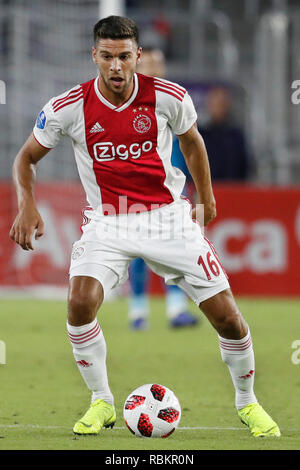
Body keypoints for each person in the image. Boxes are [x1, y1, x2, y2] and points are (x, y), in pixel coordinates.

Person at [9, 15, 280, 438]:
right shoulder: (67, 108)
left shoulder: (169, 97)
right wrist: (26, 205)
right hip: (106, 222)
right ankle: (101, 402)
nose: (115, 67)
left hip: (167, 218)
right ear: (93, 56)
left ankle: (248, 404)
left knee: (228, 318)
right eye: (106, 57)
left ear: (137, 56)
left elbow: (193, 143)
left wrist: (206, 198)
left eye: (123, 57)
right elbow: (25, 158)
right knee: (79, 304)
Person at [129, 45, 199, 330]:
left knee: (175, 248)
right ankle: (138, 313)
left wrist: (190, 185)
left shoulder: (174, 102)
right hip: (135, 192)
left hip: (173, 190)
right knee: (138, 252)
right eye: (149, 64)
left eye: (159, 64)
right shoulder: (127, 107)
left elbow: (189, 147)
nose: (155, 69)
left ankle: (176, 310)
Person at [198, 86, 252, 182]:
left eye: (221, 104)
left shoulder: (236, 136)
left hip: (232, 190)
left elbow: (244, 166)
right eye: (214, 104)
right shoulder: (201, 135)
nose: (218, 108)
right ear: (208, 105)